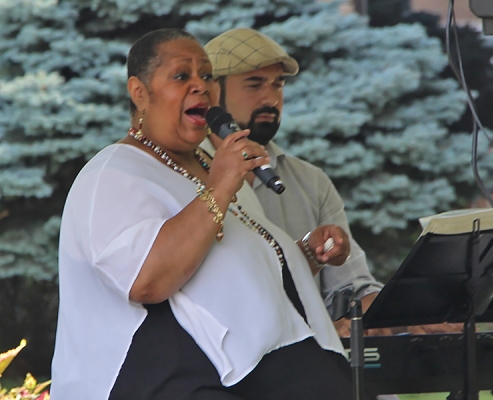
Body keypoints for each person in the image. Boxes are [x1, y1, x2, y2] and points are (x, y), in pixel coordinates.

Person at [50, 28, 366, 400]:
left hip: (248, 364)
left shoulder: (210, 166)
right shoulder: (113, 173)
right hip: (154, 375)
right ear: (140, 92)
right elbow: (147, 281)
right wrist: (220, 187)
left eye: (208, 75)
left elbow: (231, 267)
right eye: (182, 76)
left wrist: (309, 253)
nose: (201, 86)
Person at [202, 28, 385, 337]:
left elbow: (351, 286)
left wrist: (391, 312)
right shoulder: (183, 173)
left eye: (278, 85)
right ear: (213, 95)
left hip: (308, 361)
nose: (271, 99)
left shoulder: (311, 181)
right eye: (254, 84)